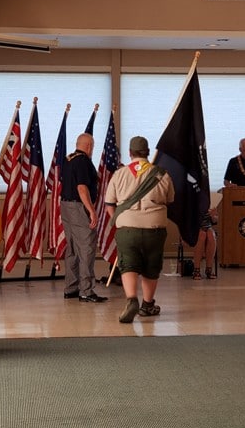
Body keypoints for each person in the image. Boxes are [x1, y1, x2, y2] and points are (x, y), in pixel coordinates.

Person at [105, 136, 175, 323]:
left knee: (128, 265)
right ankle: (147, 304)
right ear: (147, 152)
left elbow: (109, 203)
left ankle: (131, 299)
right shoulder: (161, 174)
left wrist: (117, 218)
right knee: (151, 267)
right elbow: (170, 200)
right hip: (154, 228)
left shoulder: (119, 174)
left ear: (130, 153)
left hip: (127, 228)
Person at [61, 133, 107, 303]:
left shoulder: (68, 159)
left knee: (72, 248)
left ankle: (71, 288)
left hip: (65, 206)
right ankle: (86, 291)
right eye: (92, 146)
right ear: (89, 146)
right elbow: (82, 188)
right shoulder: (83, 161)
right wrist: (92, 210)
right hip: (79, 208)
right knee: (86, 248)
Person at [191, 208, 217, 280]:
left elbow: (215, 221)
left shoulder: (211, 202)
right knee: (202, 235)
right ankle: (196, 269)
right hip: (193, 228)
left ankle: (209, 269)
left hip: (207, 227)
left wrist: (213, 215)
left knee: (211, 235)